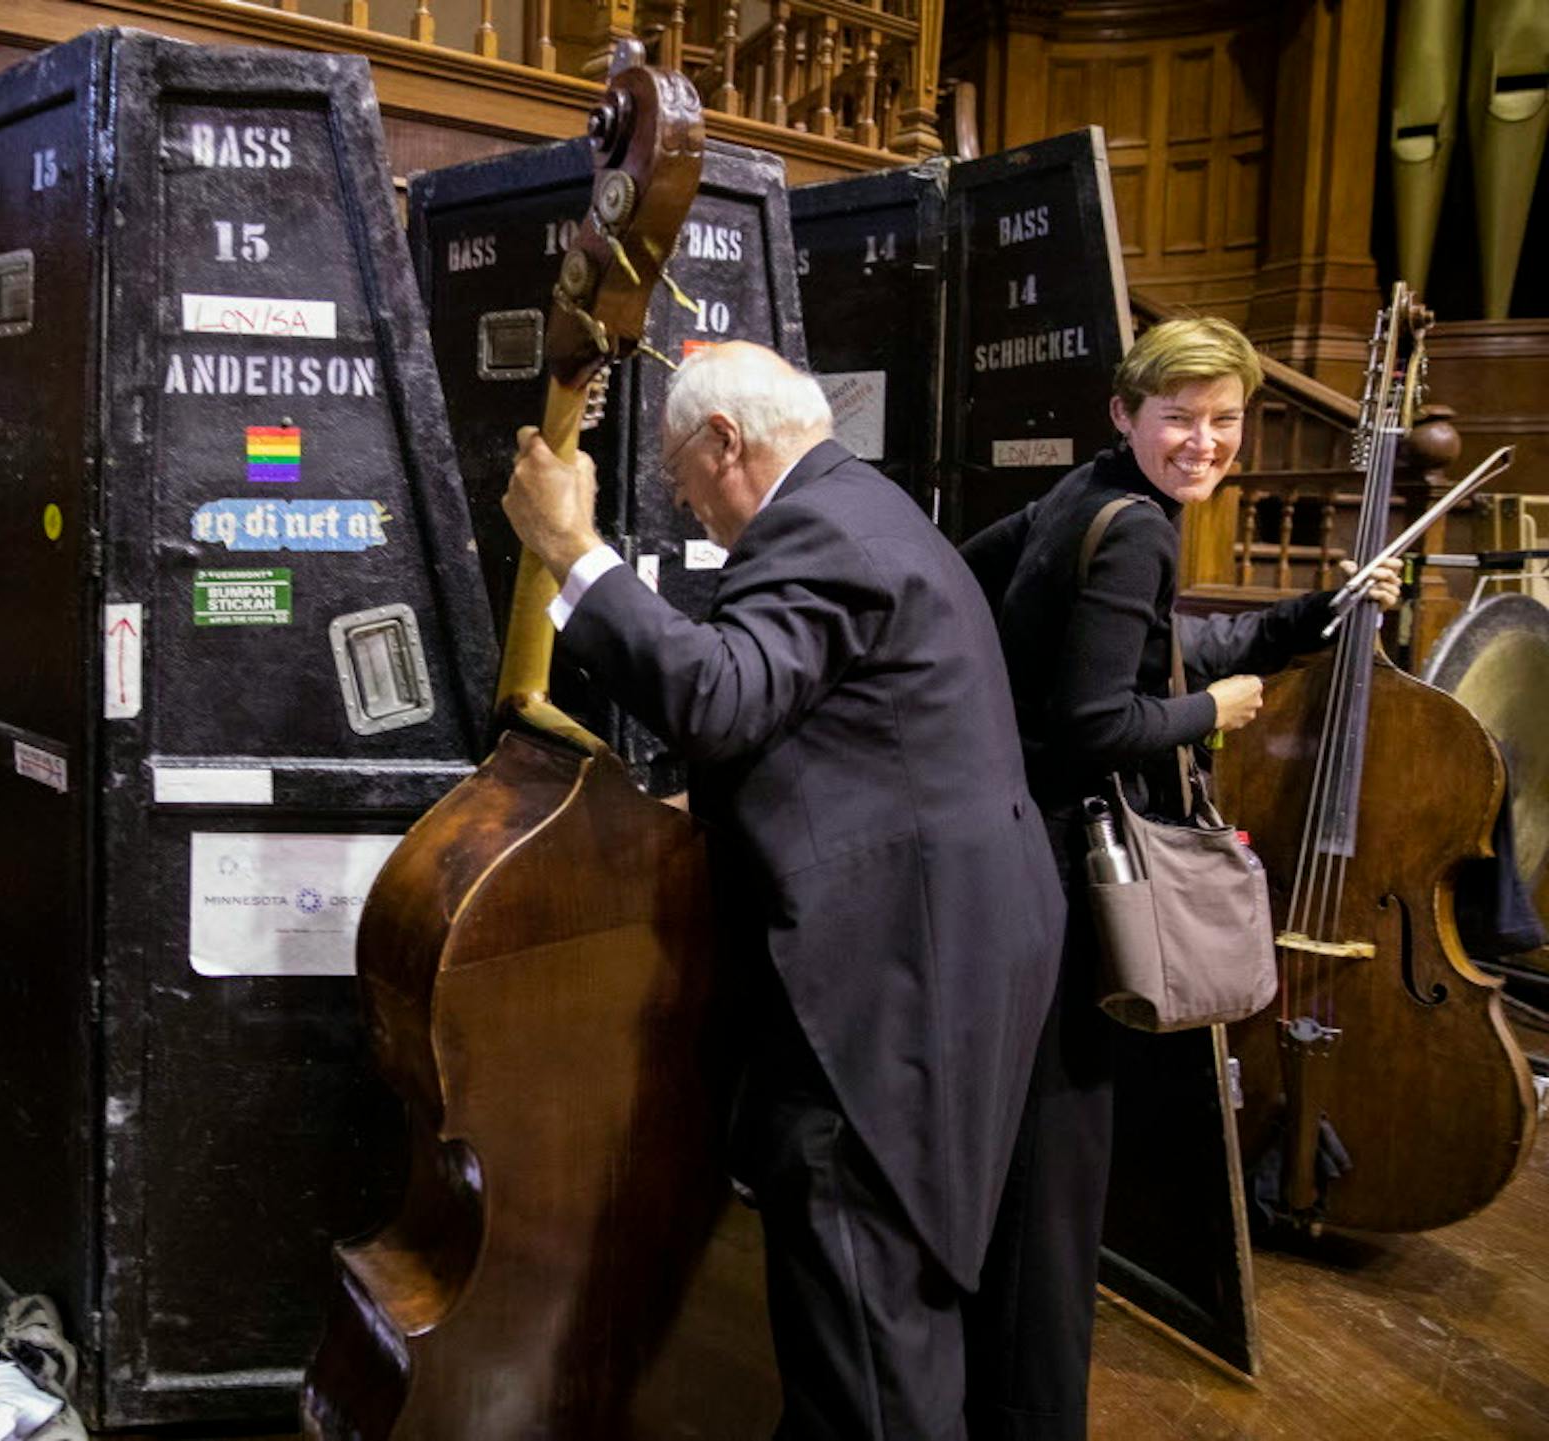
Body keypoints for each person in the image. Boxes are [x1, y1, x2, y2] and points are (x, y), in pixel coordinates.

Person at [504, 340, 1064, 1439]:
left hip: (890, 977)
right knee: (883, 1304)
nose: (683, 504)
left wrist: (573, 550)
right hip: (948, 947)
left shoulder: (815, 526)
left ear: (726, 440)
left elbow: (720, 695)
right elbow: (833, 725)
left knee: (867, 1320)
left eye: (680, 477)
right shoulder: (869, 505)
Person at [956, 315, 1401, 1440]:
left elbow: (1048, 624)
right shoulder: (1142, 531)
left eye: (1225, 421)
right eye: (1179, 418)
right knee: (1060, 1171)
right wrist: (1216, 713)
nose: (1204, 442)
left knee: (1035, 1160)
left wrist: (1309, 617)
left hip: (1013, 854)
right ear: (1126, 412)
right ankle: (1031, 1416)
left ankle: (992, 1394)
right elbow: (1103, 718)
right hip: (1070, 873)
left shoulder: (1084, 495)